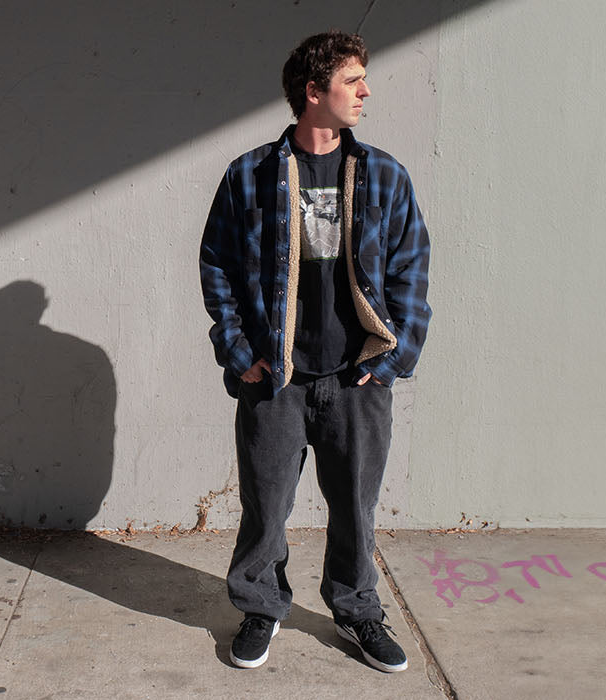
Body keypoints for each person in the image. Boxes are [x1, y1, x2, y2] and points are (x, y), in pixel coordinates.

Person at [197, 30, 432, 672]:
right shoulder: (249, 175)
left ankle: (357, 613)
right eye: (352, 80)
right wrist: (239, 351)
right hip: (276, 378)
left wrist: (391, 359)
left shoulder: (384, 174)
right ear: (313, 92)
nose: (365, 90)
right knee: (265, 507)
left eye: (363, 79)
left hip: (356, 377)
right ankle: (260, 608)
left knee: (355, 508)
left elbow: (412, 269)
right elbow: (215, 265)